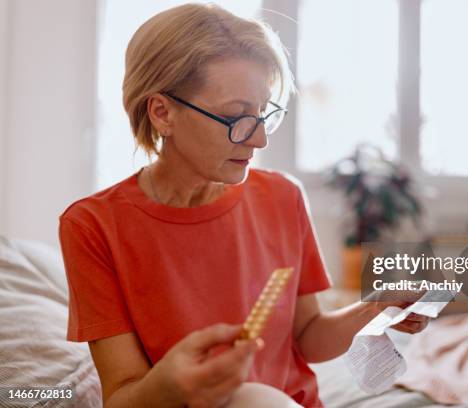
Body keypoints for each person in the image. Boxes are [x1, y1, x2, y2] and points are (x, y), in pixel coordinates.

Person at [58, 3, 430, 407]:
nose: (259, 140)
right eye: (237, 117)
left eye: (262, 114)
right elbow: (123, 397)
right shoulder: (93, 226)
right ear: (162, 113)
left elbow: (308, 339)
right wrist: (172, 384)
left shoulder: (282, 198)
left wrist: (375, 307)